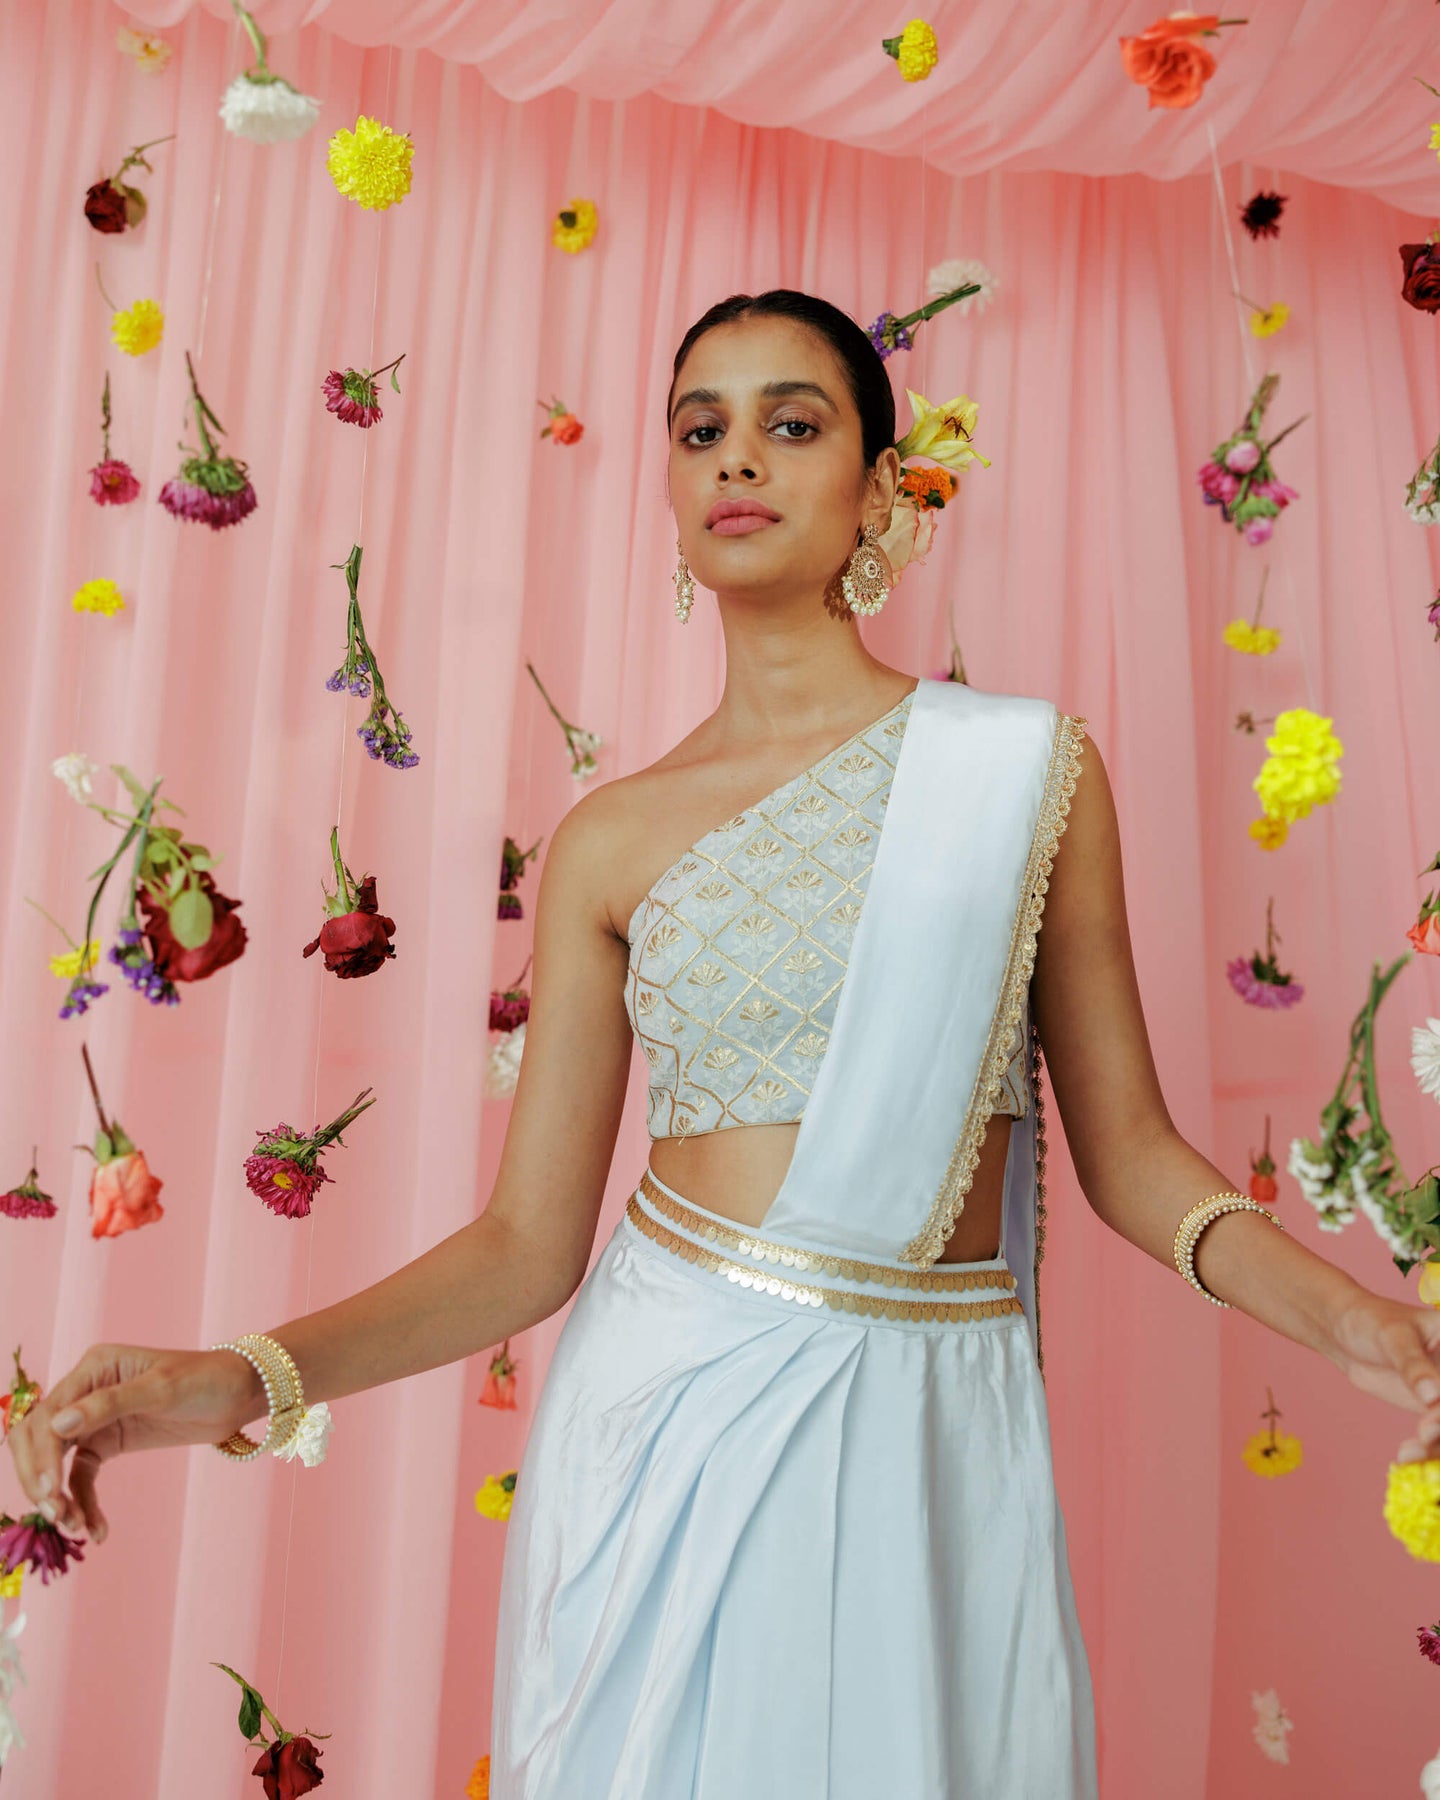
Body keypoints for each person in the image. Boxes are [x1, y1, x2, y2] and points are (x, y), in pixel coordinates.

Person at [9, 289, 1440, 1799]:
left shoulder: (1023, 772)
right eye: (702, 431)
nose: (738, 459)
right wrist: (239, 1380)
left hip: (933, 1428)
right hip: (665, 1422)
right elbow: (522, 1249)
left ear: (880, 488)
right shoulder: (612, 839)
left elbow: (1132, 1156)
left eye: (792, 424)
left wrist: (1357, 1324)